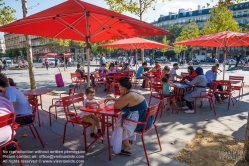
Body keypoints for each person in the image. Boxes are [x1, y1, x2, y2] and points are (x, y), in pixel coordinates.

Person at [109, 77, 154, 155]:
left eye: (119, 86)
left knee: (119, 124)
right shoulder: (133, 91)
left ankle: (127, 146)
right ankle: (125, 142)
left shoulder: (129, 95)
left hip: (142, 123)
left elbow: (116, 106)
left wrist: (121, 95)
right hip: (147, 119)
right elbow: (123, 102)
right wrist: (117, 97)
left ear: (124, 88)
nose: (118, 88)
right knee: (121, 120)